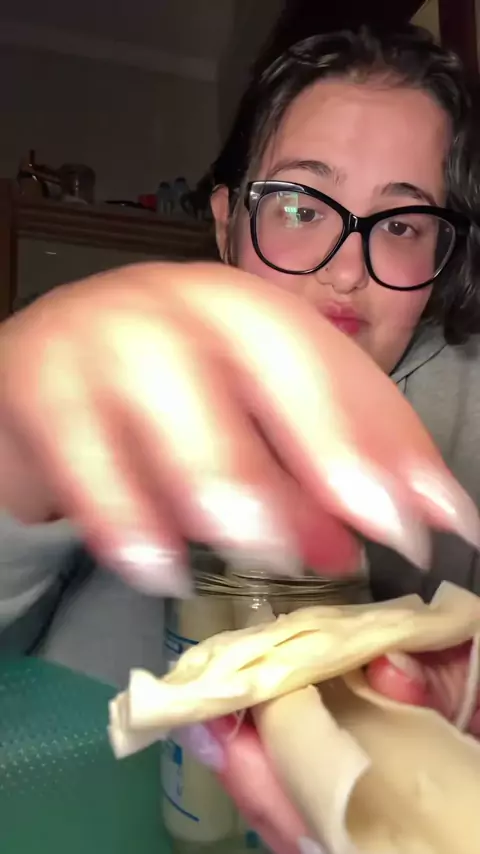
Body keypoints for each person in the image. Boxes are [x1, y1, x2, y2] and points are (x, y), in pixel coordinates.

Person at [0, 23, 478, 852]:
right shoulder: (111, 382)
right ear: (227, 223)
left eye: (402, 224)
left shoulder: (465, 403)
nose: (345, 270)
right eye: (299, 206)